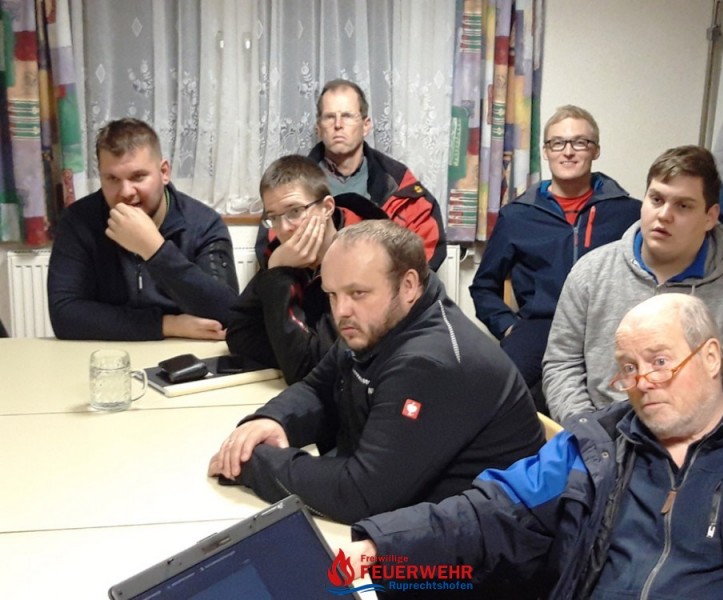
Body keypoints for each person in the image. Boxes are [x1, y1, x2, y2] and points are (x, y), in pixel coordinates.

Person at [346, 294, 723, 599]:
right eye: (628, 368)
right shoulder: (594, 450)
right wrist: (382, 546)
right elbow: (493, 513)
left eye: (660, 361)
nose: (643, 382)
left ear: (711, 357)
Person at [209, 220, 544, 524]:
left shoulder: (430, 362)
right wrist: (272, 421)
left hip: (477, 550)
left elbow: (359, 495)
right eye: (332, 295)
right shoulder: (379, 323)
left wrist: (254, 463)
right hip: (417, 521)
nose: (342, 311)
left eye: (358, 293)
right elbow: (318, 387)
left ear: (408, 285)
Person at [543, 144, 723, 423]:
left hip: (699, 438)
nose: (664, 215)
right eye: (656, 199)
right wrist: (588, 430)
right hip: (601, 429)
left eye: (683, 205)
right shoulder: (591, 272)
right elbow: (561, 364)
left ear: (710, 217)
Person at [470, 105, 640, 409]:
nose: (568, 152)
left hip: (608, 325)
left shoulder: (630, 213)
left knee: (626, 397)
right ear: (546, 151)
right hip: (541, 326)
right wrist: (508, 327)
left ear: (596, 150)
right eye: (558, 143)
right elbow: (484, 286)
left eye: (580, 142)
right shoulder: (517, 216)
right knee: (494, 397)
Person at [48, 118, 238, 341]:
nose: (126, 192)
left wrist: (156, 251)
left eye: (138, 177)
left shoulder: (204, 223)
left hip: (184, 350)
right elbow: (64, 315)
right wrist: (166, 325)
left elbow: (229, 314)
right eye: (112, 178)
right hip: (108, 351)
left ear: (164, 172)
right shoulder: (77, 221)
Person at [225, 155, 387, 384]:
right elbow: (238, 333)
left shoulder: (364, 258)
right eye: (273, 218)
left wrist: (278, 275)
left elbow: (305, 370)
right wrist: (277, 270)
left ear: (327, 208)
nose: (284, 228)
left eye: (294, 211)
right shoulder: (284, 255)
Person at [307, 78, 446, 270]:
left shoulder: (397, 181)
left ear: (366, 125)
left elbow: (427, 246)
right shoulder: (296, 184)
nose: (338, 124)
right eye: (330, 117)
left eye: (347, 116)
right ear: (318, 128)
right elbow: (274, 244)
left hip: (385, 285)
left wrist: (388, 281)